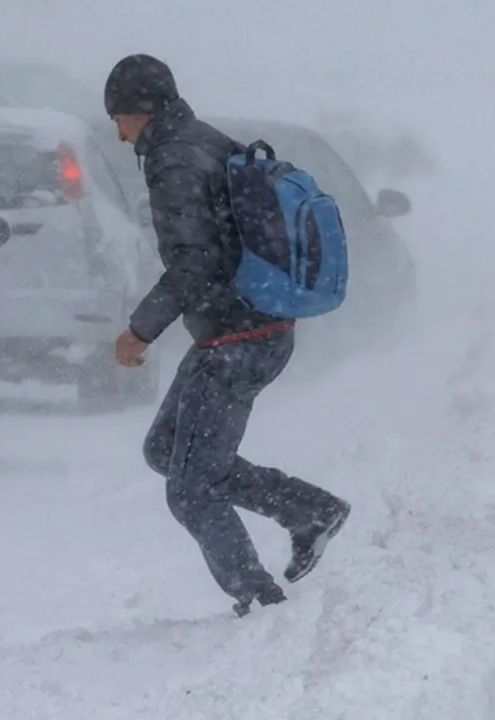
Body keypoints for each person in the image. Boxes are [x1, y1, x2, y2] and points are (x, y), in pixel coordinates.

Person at [104, 53, 351, 616]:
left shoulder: (173, 159)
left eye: (117, 118)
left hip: (237, 339)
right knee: (167, 450)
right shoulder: (202, 140)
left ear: (138, 112)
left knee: (191, 489)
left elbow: (194, 263)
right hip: (250, 330)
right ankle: (308, 511)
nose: (117, 134)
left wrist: (140, 331)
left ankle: (258, 601)